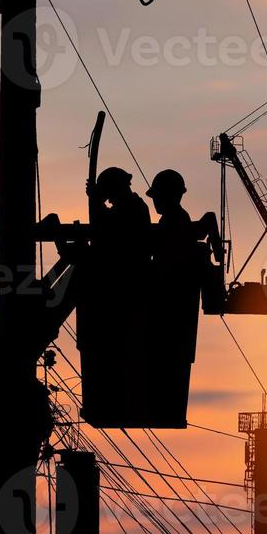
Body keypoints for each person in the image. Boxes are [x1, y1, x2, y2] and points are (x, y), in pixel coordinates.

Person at [142, 169, 223, 428]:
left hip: (172, 302)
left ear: (168, 196)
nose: (154, 201)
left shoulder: (174, 221)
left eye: (157, 196)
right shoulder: (176, 220)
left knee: (168, 361)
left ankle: (162, 408)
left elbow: (191, 234)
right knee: (172, 361)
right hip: (174, 303)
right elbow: (204, 224)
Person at [76, 166, 151, 428]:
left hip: (124, 286)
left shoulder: (133, 208)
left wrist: (95, 203)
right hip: (121, 284)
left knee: (110, 343)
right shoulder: (130, 207)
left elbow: (109, 232)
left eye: (107, 192)